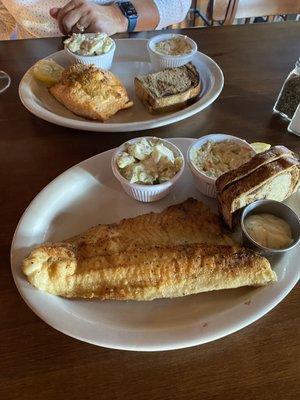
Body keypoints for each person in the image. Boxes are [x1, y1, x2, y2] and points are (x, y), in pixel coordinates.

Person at [0, 0, 192, 40]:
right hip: (38, 79)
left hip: (132, 62)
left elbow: (179, 3)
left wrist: (118, 16)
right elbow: (5, 17)